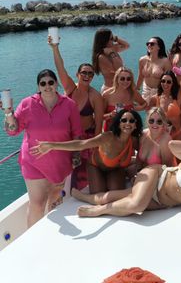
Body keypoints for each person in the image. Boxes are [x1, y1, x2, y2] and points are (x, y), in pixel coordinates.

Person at [70, 136, 181, 218]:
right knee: (136, 205)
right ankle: (99, 211)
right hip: (156, 175)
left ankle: (84, 196)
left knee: (125, 197)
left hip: (161, 202)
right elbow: (172, 145)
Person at [3, 69, 82, 227]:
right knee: (37, 204)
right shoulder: (28, 104)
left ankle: (49, 236)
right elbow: (13, 130)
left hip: (60, 161)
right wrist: (8, 113)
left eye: (51, 82)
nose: (47, 86)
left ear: (56, 84)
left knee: (54, 201)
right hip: (33, 161)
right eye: (43, 83)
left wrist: (75, 157)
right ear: (38, 87)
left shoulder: (69, 105)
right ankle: (32, 242)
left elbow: (77, 134)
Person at [30, 109, 143, 194]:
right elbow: (81, 144)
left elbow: (146, 154)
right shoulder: (108, 137)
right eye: (124, 120)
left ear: (135, 125)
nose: (127, 123)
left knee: (116, 193)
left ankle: (124, 173)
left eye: (131, 121)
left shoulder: (134, 140)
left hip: (116, 169)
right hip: (96, 167)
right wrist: (51, 145)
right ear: (118, 123)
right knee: (99, 194)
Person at [48, 37, 104, 189]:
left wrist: (95, 145)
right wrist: (55, 48)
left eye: (91, 74)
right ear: (78, 74)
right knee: (63, 167)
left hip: (86, 138)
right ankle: (61, 193)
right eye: (84, 73)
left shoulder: (95, 96)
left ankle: (80, 196)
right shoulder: (70, 89)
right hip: (68, 136)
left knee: (83, 173)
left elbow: (99, 123)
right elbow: (60, 69)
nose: (87, 76)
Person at [103, 67, 147, 131]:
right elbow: (99, 116)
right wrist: (110, 115)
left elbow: (145, 104)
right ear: (117, 79)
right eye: (122, 79)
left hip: (128, 130)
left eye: (128, 79)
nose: (125, 81)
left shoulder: (133, 93)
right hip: (111, 130)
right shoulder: (107, 94)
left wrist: (136, 108)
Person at [149, 71, 181, 141]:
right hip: (161, 135)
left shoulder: (177, 98)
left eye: (168, 82)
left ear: (173, 83)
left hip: (177, 135)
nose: (165, 84)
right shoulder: (155, 98)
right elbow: (150, 118)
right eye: (163, 81)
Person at [137, 37, 171, 103]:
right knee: (148, 112)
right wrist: (136, 90)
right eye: (148, 44)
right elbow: (140, 77)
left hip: (159, 92)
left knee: (159, 112)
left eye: (152, 44)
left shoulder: (165, 61)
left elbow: (170, 79)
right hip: (146, 91)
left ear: (159, 47)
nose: (149, 45)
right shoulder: (142, 60)